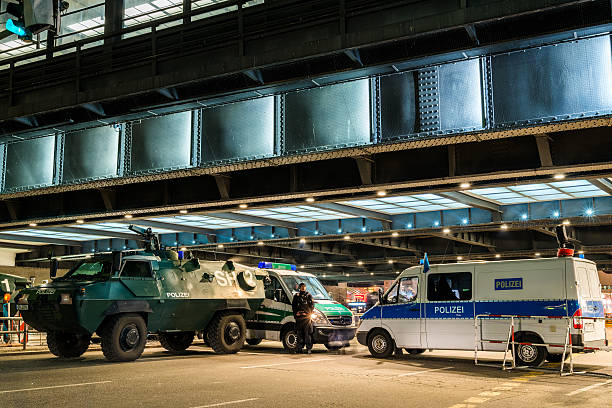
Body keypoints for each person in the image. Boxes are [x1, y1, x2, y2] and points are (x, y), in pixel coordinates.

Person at [292, 282, 314, 354]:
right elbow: (294, 307)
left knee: (308, 334)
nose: (303, 288)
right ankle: (299, 348)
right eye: (302, 286)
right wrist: (296, 314)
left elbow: (312, 306)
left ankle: (308, 348)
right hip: (299, 318)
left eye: (304, 286)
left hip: (306, 318)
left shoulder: (308, 295)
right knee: (299, 334)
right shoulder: (296, 296)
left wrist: (308, 313)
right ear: (299, 287)